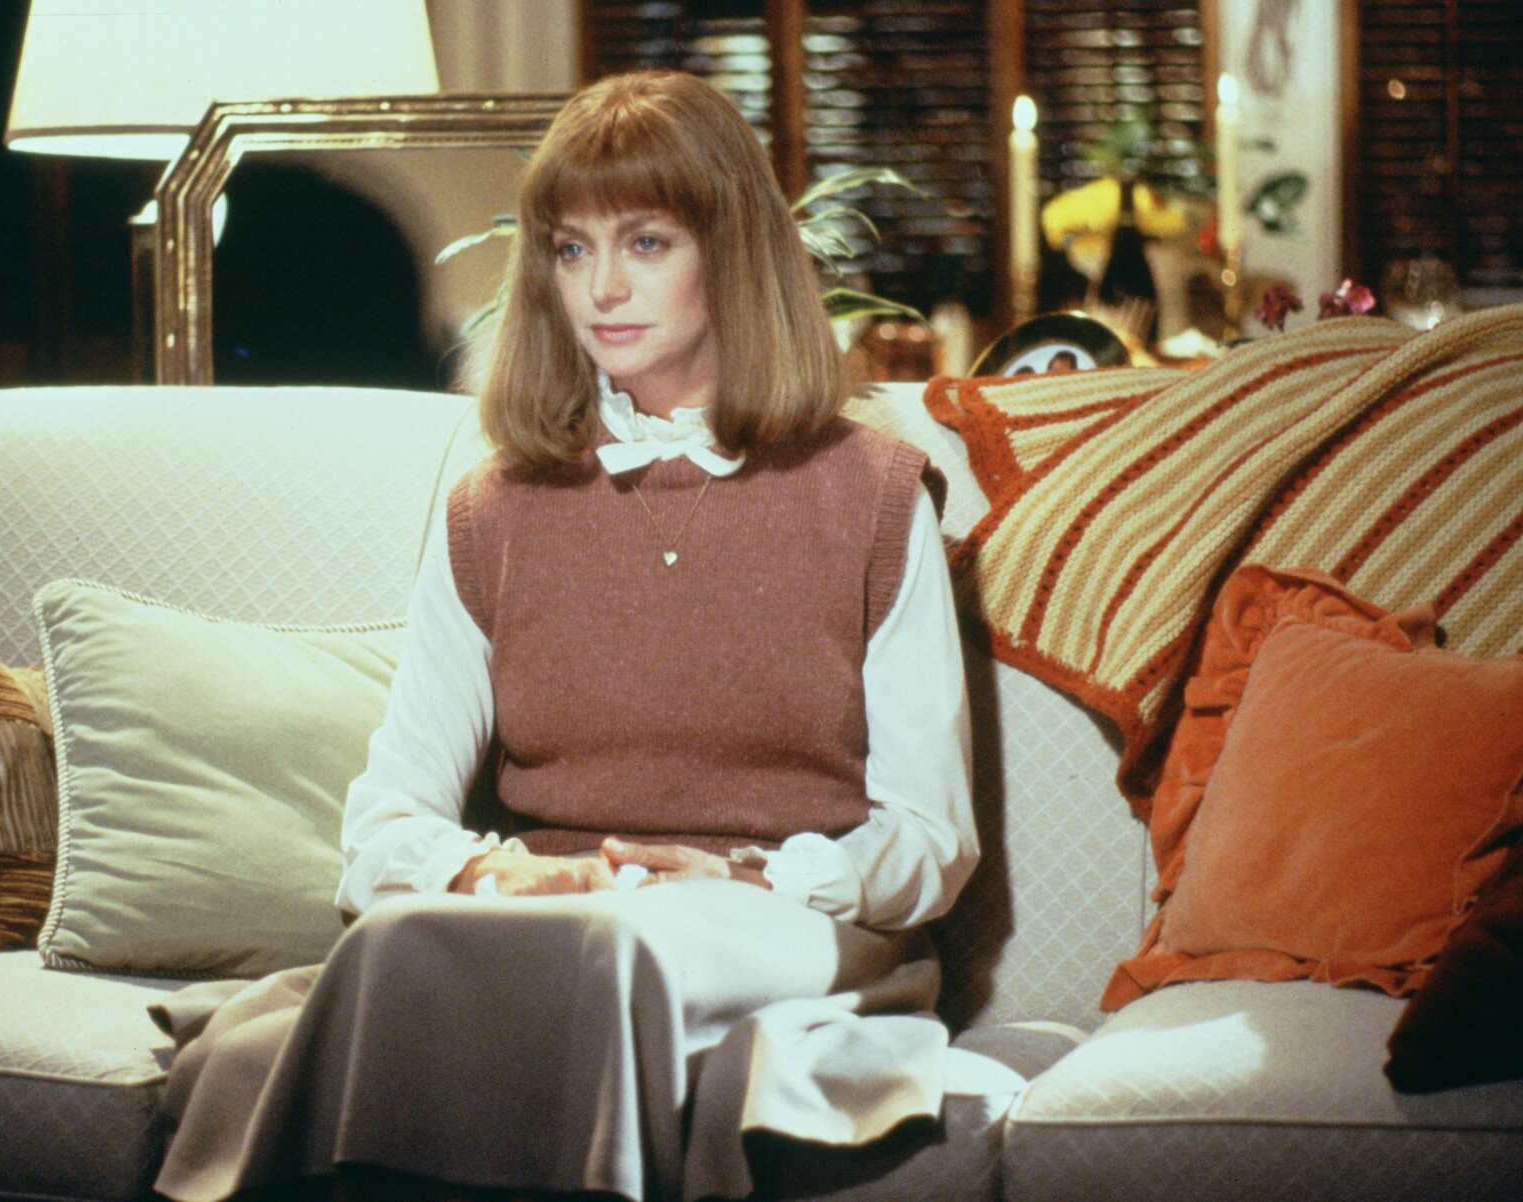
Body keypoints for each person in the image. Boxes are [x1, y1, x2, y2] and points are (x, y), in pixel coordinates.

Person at [150, 70, 976, 1202]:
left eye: (646, 242)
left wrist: (756, 872)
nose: (603, 288)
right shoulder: (493, 506)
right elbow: (385, 819)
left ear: (731, 251)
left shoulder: (874, 492)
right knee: (400, 944)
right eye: (572, 249)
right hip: (556, 920)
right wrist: (493, 871)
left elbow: (932, 839)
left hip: (786, 918)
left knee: (620, 953)